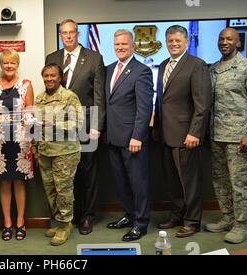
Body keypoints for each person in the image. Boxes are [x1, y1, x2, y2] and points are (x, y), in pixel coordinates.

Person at [205, 28, 247, 244]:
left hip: (239, 138)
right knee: (220, 180)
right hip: (216, 135)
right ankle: (227, 217)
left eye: (229, 39)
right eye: (221, 38)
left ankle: (241, 225)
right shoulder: (213, 69)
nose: (224, 42)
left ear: (238, 42)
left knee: (239, 183)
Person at [45, 19, 105, 235]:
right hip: (59, 127)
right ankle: (66, 218)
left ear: (78, 34)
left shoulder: (94, 58)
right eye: (64, 33)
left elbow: (99, 94)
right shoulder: (52, 58)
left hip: (86, 124)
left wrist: (97, 125)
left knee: (86, 171)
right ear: (60, 35)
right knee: (64, 174)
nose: (68, 36)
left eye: (71, 33)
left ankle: (86, 216)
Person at [154, 25, 211, 238]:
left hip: (187, 135)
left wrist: (195, 132)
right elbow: (162, 100)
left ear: (187, 42)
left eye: (178, 40)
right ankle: (177, 215)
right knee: (173, 182)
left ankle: (192, 221)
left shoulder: (197, 65)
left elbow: (202, 104)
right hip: (166, 134)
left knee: (190, 182)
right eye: (170, 41)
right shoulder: (162, 65)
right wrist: (157, 127)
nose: (174, 44)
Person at [104, 30, 154, 241]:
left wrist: (137, 137)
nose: (120, 48)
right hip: (112, 137)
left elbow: (144, 108)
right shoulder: (108, 70)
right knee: (121, 182)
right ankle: (129, 215)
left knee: (137, 183)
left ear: (133, 46)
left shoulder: (141, 71)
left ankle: (140, 224)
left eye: (124, 44)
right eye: (117, 45)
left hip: (132, 139)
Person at [0, 49, 34, 241]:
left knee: (19, 182)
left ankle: (20, 222)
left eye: (12, 62)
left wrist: (26, 120)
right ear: (1, 64)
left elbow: (31, 114)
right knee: (4, 182)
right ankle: (7, 223)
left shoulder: (26, 84)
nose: (9, 66)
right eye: (6, 62)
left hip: (21, 142)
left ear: (17, 64)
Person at [35, 63, 84, 246]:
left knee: (63, 190)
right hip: (45, 152)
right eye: (46, 76)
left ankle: (64, 225)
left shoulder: (69, 97)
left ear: (60, 77)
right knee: (51, 190)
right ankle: (62, 221)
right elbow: (37, 127)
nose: (49, 79)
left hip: (65, 153)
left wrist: (52, 123)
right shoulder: (39, 99)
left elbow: (78, 124)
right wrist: (35, 148)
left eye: (53, 75)